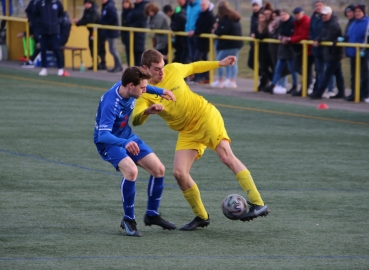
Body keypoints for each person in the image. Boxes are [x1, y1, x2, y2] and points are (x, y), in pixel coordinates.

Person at [132, 49, 270, 231]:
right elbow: (135, 119)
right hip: (187, 131)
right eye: (157, 69)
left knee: (226, 156)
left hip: (205, 116)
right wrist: (147, 112)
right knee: (180, 173)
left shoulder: (173, 70)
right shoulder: (145, 92)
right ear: (145, 68)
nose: (162, 72)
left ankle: (258, 203)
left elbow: (194, 67)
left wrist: (219, 63)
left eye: (163, 67)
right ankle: (202, 216)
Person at [94, 66, 177, 237]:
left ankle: (152, 215)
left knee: (159, 169)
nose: (144, 91)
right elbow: (103, 135)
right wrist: (124, 143)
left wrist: (162, 91)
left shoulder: (128, 87)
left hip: (127, 137)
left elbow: (146, 86)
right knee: (132, 171)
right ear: (131, 85)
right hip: (109, 143)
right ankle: (128, 219)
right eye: (142, 88)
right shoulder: (112, 102)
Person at [309, 6, 345, 100]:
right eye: (322, 15)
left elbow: (329, 37)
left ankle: (319, 93)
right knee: (337, 73)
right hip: (330, 52)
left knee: (327, 74)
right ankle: (341, 92)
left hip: (334, 52)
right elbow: (322, 35)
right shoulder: (326, 23)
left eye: (325, 15)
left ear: (330, 14)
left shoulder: (333, 24)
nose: (323, 16)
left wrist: (319, 40)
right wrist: (318, 38)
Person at [264, 9, 298, 94]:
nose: (283, 16)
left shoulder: (293, 22)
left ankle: (295, 85)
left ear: (288, 14)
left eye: (285, 14)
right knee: (278, 69)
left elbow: (293, 34)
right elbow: (278, 33)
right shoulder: (281, 23)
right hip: (282, 49)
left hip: (291, 50)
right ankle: (273, 85)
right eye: (282, 15)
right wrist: (279, 37)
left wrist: (287, 39)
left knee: (292, 69)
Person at [211, 0, 243, 89]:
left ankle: (220, 80)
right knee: (232, 62)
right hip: (237, 43)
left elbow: (221, 31)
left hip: (231, 44)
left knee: (220, 60)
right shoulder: (233, 16)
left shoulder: (226, 18)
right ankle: (231, 80)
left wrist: (215, 30)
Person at [284, 6, 313, 97]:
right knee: (296, 67)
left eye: (298, 14)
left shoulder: (307, 21)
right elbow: (297, 34)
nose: (296, 16)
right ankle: (307, 84)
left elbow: (304, 35)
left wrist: (290, 39)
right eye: (295, 14)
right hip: (300, 50)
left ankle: (307, 86)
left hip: (308, 50)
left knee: (306, 69)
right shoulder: (296, 22)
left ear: (302, 13)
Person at [34, 0, 67, 77]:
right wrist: (40, 24)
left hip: (54, 31)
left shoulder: (57, 3)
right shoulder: (40, 3)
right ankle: (44, 68)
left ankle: (60, 68)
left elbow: (62, 15)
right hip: (43, 31)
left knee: (56, 48)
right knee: (43, 49)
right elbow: (35, 15)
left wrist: (57, 22)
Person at [344, 5, 369, 102]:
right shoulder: (353, 22)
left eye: (359, 11)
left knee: (364, 74)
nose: (357, 13)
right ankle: (354, 93)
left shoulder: (367, 23)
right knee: (354, 74)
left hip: (364, 52)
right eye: (356, 11)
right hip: (353, 52)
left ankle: (365, 94)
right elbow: (350, 35)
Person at [192, 0, 215, 84]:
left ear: (208, 5)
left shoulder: (210, 16)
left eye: (204, 5)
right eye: (201, 5)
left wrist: (196, 32)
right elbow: (198, 25)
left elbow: (206, 29)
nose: (202, 7)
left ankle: (202, 76)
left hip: (205, 42)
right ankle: (206, 77)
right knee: (204, 58)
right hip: (200, 40)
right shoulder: (201, 14)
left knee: (197, 57)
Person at [73, 0, 100, 70]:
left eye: (88, 3)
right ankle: (95, 63)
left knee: (97, 48)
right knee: (91, 46)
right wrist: (78, 22)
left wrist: (80, 22)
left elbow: (90, 20)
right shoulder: (86, 11)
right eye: (86, 3)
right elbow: (84, 19)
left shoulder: (94, 11)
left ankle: (100, 64)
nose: (87, 5)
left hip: (97, 32)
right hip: (91, 32)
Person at [100, 0, 123, 73]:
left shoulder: (110, 7)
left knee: (113, 49)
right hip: (109, 31)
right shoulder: (105, 6)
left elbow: (114, 18)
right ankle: (117, 65)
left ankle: (119, 65)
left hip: (112, 31)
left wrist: (106, 24)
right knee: (112, 49)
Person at [126, 0, 149, 66]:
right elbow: (128, 17)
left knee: (138, 55)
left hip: (139, 36)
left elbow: (138, 18)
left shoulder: (143, 7)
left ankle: (138, 74)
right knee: (130, 54)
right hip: (132, 35)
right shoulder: (135, 6)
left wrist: (131, 23)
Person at [247, 0, 263, 71]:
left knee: (263, 64)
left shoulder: (262, 15)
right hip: (253, 43)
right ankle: (262, 75)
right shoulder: (253, 16)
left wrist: (256, 34)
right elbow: (252, 29)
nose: (255, 8)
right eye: (253, 6)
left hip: (261, 44)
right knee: (250, 63)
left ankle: (266, 77)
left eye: (256, 5)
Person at [121, 0, 133, 66]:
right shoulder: (123, 12)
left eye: (126, 2)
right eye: (124, 3)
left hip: (131, 34)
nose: (125, 4)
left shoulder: (131, 12)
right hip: (125, 34)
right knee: (127, 52)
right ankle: (129, 66)